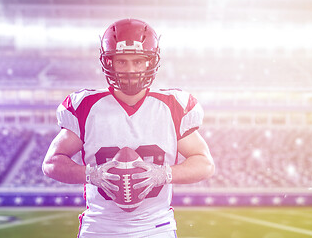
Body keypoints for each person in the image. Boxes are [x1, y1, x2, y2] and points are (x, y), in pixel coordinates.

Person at [42, 18, 215, 238]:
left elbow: (205, 163)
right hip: (100, 227)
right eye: (121, 61)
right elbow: (51, 163)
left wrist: (164, 174)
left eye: (137, 61)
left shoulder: (174, 106)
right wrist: (91, 174)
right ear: (109, 62)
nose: (130, 70)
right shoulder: (85, 106)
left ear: (150, 62)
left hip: (155, 227)